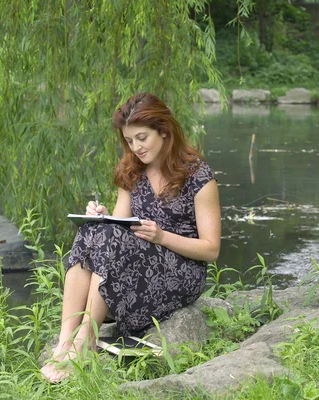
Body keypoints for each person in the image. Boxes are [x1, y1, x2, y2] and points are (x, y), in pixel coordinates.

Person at [41, 92, 221, 383]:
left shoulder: (198, 176)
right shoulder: (131, 170)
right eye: (128, 140)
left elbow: (211, 250)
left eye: (141, 138)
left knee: (107, 237)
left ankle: (86, 339)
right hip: (136, 265)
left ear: (164, 131)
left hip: (182, 271)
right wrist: (101, 216)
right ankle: (65, 342)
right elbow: (118, 229)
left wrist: (161, 236)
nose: (135, 147)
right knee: (92, 229)